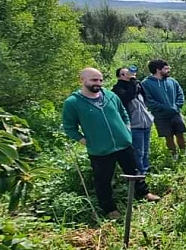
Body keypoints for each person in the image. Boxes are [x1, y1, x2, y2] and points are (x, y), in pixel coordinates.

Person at [63, 68, 160, 219]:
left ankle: (143, 193)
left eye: (100, 80)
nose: (98, 83)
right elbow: (69, 128)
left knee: (134, 171)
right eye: (94, 80)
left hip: (123, 143)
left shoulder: (110, 95)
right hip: (100, 149)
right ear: (82, 80)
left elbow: (123, 113)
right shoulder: (73, 103)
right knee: (103, 180)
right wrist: (86, 141)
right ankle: (109, 209)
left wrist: (126, 129)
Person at [142, 59, 186, 160]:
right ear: (158, 70)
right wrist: (165, 108)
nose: (169, 70)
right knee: (168, 136)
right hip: (161, 116)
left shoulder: (172, 81)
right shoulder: (146, 84)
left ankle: (184, 152)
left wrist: (176, 106)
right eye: (166, 69)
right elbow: (149, 101)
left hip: (175, 113)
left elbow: (180, 94)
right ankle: (174, 155)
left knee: (180, 133)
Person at [112, 65, 153, 174]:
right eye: (124, 74)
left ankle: (145, 169)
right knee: (137, 151)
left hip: (145, 122)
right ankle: (140, 172)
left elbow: (146, 98)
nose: (128, 75)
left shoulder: (137, 85)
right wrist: (133, 81)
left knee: (145, 150)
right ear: (119, 76)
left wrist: (135, 82)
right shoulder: (117, 89)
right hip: (134, 124)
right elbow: (128, 96)